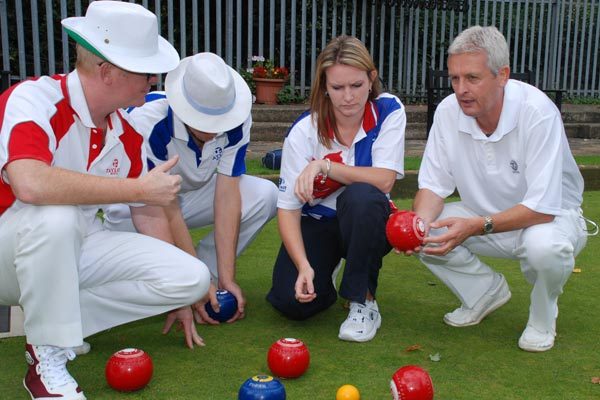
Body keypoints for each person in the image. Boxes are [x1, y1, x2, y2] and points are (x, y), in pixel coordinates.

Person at [0, 2, 211, 399]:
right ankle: (46, 359)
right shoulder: (34, 99)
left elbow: (148, 216)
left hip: (74, 243)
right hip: (7, 253)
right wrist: (137, 190)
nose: (153, 81)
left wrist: (180, 299)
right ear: (108, 71)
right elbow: (29, 183)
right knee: (57, 217)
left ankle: (58, 324)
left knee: (191, 278)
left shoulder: (127, 132)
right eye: (146, 72)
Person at [410, 25, 593, 352]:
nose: (461, 90)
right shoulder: (448, 112)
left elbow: (542, 208)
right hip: (483, 219)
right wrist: (417, 225)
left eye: (472, 78)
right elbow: (432, 187)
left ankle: (542, 316)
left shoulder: (537, 111)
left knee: (544, 248)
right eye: (455, 78)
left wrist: (476, 225)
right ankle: (483, 292)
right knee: (426, 231)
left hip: (551, 220)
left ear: (502, 75)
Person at [103, 52, 279, 323]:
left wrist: (227, 277)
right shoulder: (146, 122)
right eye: (207, 120)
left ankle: (211, 277)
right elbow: (165, 206)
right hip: (138, 208)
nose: (216, 129)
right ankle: (189, 281)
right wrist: (190, 283)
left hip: (193, 193)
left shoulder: (238, 119)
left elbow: (227, 196)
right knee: (125, 287)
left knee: (265, 195)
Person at [266, 35, 406, 343]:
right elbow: (288, 209)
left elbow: (384, 180)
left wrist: (324, 166)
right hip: (318, 222)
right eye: (337, 87)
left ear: (371, 79)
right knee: (292, 303)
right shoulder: (304, 130)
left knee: (362, 196)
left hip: (368, 221)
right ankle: (325, 274)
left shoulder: (389, 110)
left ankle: (363, 301)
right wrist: (304, 266)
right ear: (324, 87)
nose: (348, 97)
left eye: (356, 85)